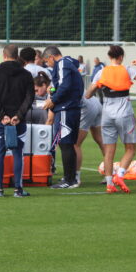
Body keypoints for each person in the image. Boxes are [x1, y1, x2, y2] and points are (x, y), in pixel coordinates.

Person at [86, 45, 136, 193]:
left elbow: (88, 94)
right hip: (124, 114)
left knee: (109, 150)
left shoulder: (102, 72)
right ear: (121, 57)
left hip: (107, 115)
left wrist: (98, 86)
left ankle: (110, 184)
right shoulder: (127, 69)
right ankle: (120, 175)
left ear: (110, 57)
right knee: (131, 149)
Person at [0, 44, 35, 197]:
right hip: (18, 121)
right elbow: (29, 98)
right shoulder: (26, 75)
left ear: (4, 55)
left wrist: (2, 116)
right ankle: (18, 189)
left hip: (0, 121)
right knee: (18, 153)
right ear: (18, 55)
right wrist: (19, 115)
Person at [42, 46, 84, 189]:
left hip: (66, 108)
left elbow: (65, 86)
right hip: (70, 107)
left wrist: (52, 100)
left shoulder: (62, 64)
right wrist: (53, 90)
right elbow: (64, 85)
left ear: (51, 57)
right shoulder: (69, 63)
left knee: (65, 143)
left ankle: (69, 180)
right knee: (67, 143)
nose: (48, 65)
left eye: (47, 62)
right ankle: (70, 178)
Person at [74, 95, 105, 186]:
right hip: (95, 101)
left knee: (75, 143)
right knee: (100, 140)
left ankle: (76, 177)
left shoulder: (54, 85)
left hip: (86, 106)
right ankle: (109, 175)